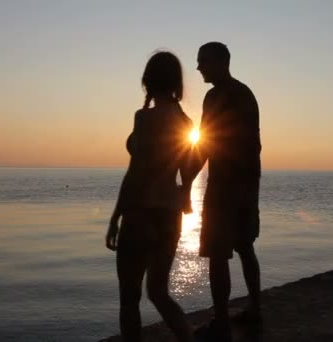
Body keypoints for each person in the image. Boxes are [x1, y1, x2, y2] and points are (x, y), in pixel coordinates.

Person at [105, 51, 195, 342]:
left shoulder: (145, 118)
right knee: (158, 293)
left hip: (141, 213)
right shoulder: (185, 121)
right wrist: (185, 192)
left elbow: (135, 173)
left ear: (147, 80)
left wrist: (116, 216)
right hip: (170, 216)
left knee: (129, 299)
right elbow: (190, 165)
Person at [191, 42, 262, 341]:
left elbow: (206, 143)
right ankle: (255, 310)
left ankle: (221, 322)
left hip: (225, 187)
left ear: (221, 61)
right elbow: (253, 145)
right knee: (245, 247)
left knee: (218, 255)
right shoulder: (245, 93)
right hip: (246, 184)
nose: (198, 68)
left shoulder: (217, 96)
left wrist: (184, 180)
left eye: (202, 61)